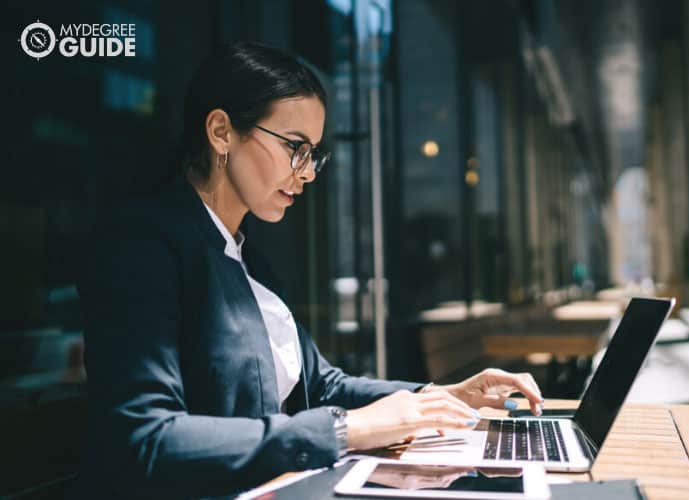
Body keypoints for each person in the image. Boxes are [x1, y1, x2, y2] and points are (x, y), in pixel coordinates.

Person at [78, 42, 544, 499]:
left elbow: (321, 385)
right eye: (295, 147)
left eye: (314, 153)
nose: (308, 172)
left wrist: (439, 399)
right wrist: (346, 430)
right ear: (221, 132)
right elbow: (144, 441)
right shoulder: (142, 246)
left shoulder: (245, 258)